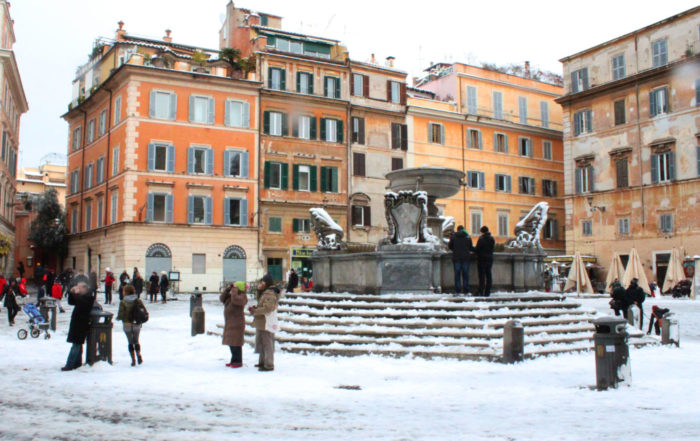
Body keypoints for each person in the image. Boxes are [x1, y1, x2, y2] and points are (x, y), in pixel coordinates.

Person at [62, 281, 96, 371]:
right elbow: (71, 302)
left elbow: (81, 303)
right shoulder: (81, 297)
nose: (78, 289)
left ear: (85, 288)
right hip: (77, 322)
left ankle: (69, 364)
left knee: (76, 344)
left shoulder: (89, 297)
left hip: (82, 323)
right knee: (77, 344)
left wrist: (76, 295)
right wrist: (71, 293)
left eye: (79, 287)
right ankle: (77, 363)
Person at [250, 274, 279, 372]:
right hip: (262, 321)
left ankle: (269, 364)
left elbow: (268, 309)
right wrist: (259, 291)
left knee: (267, 342)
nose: (261, 283)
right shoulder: (265, 292)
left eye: (263, 282)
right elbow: (260, 302)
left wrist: (256, 311)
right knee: (262, 342)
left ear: (266, 283)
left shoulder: (270, 293)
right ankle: (262, 361)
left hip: (266, 321)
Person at [116, 284, 147, 366]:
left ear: (125, 292)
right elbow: (144, 311)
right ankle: (138, 354)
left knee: (130, 342)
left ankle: (133, 360)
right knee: (136, 340)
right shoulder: (138, 300)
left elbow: (121, 314)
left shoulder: (123, 302)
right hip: (136, 324)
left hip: (127, 324)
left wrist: (118, 318)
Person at [220, 281, 248, 368]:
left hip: (237, 323)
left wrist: (234, 289)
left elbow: (235, 300)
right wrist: (228, 289)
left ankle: (238, 361)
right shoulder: (232, 296)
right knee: (231, 342)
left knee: (236, 343)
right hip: (230, 322)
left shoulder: (243, 296)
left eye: (235, 287)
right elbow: (222, 298)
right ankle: (233, 360)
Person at [448, 225, 474, 295]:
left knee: (457, 275)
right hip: (466, 258)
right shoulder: (468, 237)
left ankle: (458, 291)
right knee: (465, 275)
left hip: (456, 257)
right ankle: (466, 291)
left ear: (457, 230)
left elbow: (450, 246)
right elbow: (470, 247)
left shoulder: (453, 237)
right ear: (463, 230)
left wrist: (455, 249)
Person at [475, 225, 495, 297]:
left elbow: (477, 249)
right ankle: (488, 291)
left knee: (482, 276)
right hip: (489, 259)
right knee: (488, 275)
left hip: (482, 259)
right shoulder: (492, 239)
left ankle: (481, 291)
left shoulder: (481, 239)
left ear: (482, 232)